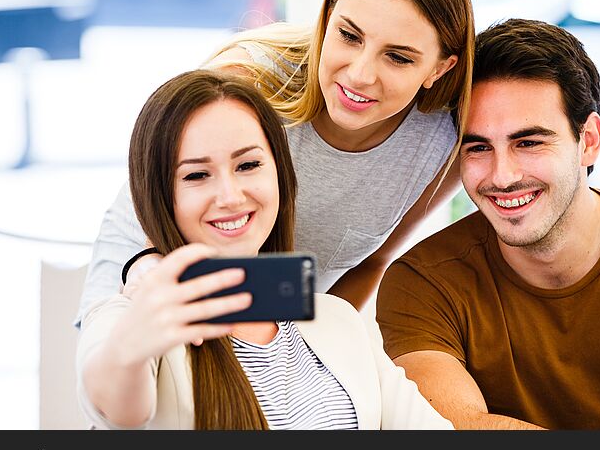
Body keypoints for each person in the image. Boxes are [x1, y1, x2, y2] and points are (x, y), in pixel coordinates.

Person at [76, 0, 475, 323]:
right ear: (326, 17)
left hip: (275, 324)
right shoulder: (249, 83)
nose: (359, 74)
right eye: (349, 36)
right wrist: (144, 268)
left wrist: (308, 358)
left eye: (398, 58)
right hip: (150, 269)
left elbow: (373, 262)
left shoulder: (444, 141)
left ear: (441, 68)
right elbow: (163, 221)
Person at [77, 70, 453, 430]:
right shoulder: (130, 318)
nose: (230, 196)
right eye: (196, 175)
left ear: (280, 173)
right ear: (161, 195)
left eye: (249, 165)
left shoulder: (337, 320)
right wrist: (131, 347)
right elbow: (112, 407)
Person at [376, 18, 600, 430]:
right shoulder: (423, 284)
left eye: (528, 142)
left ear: (588, 141)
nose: (503, 175)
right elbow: (455, 435)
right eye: (478, 147)